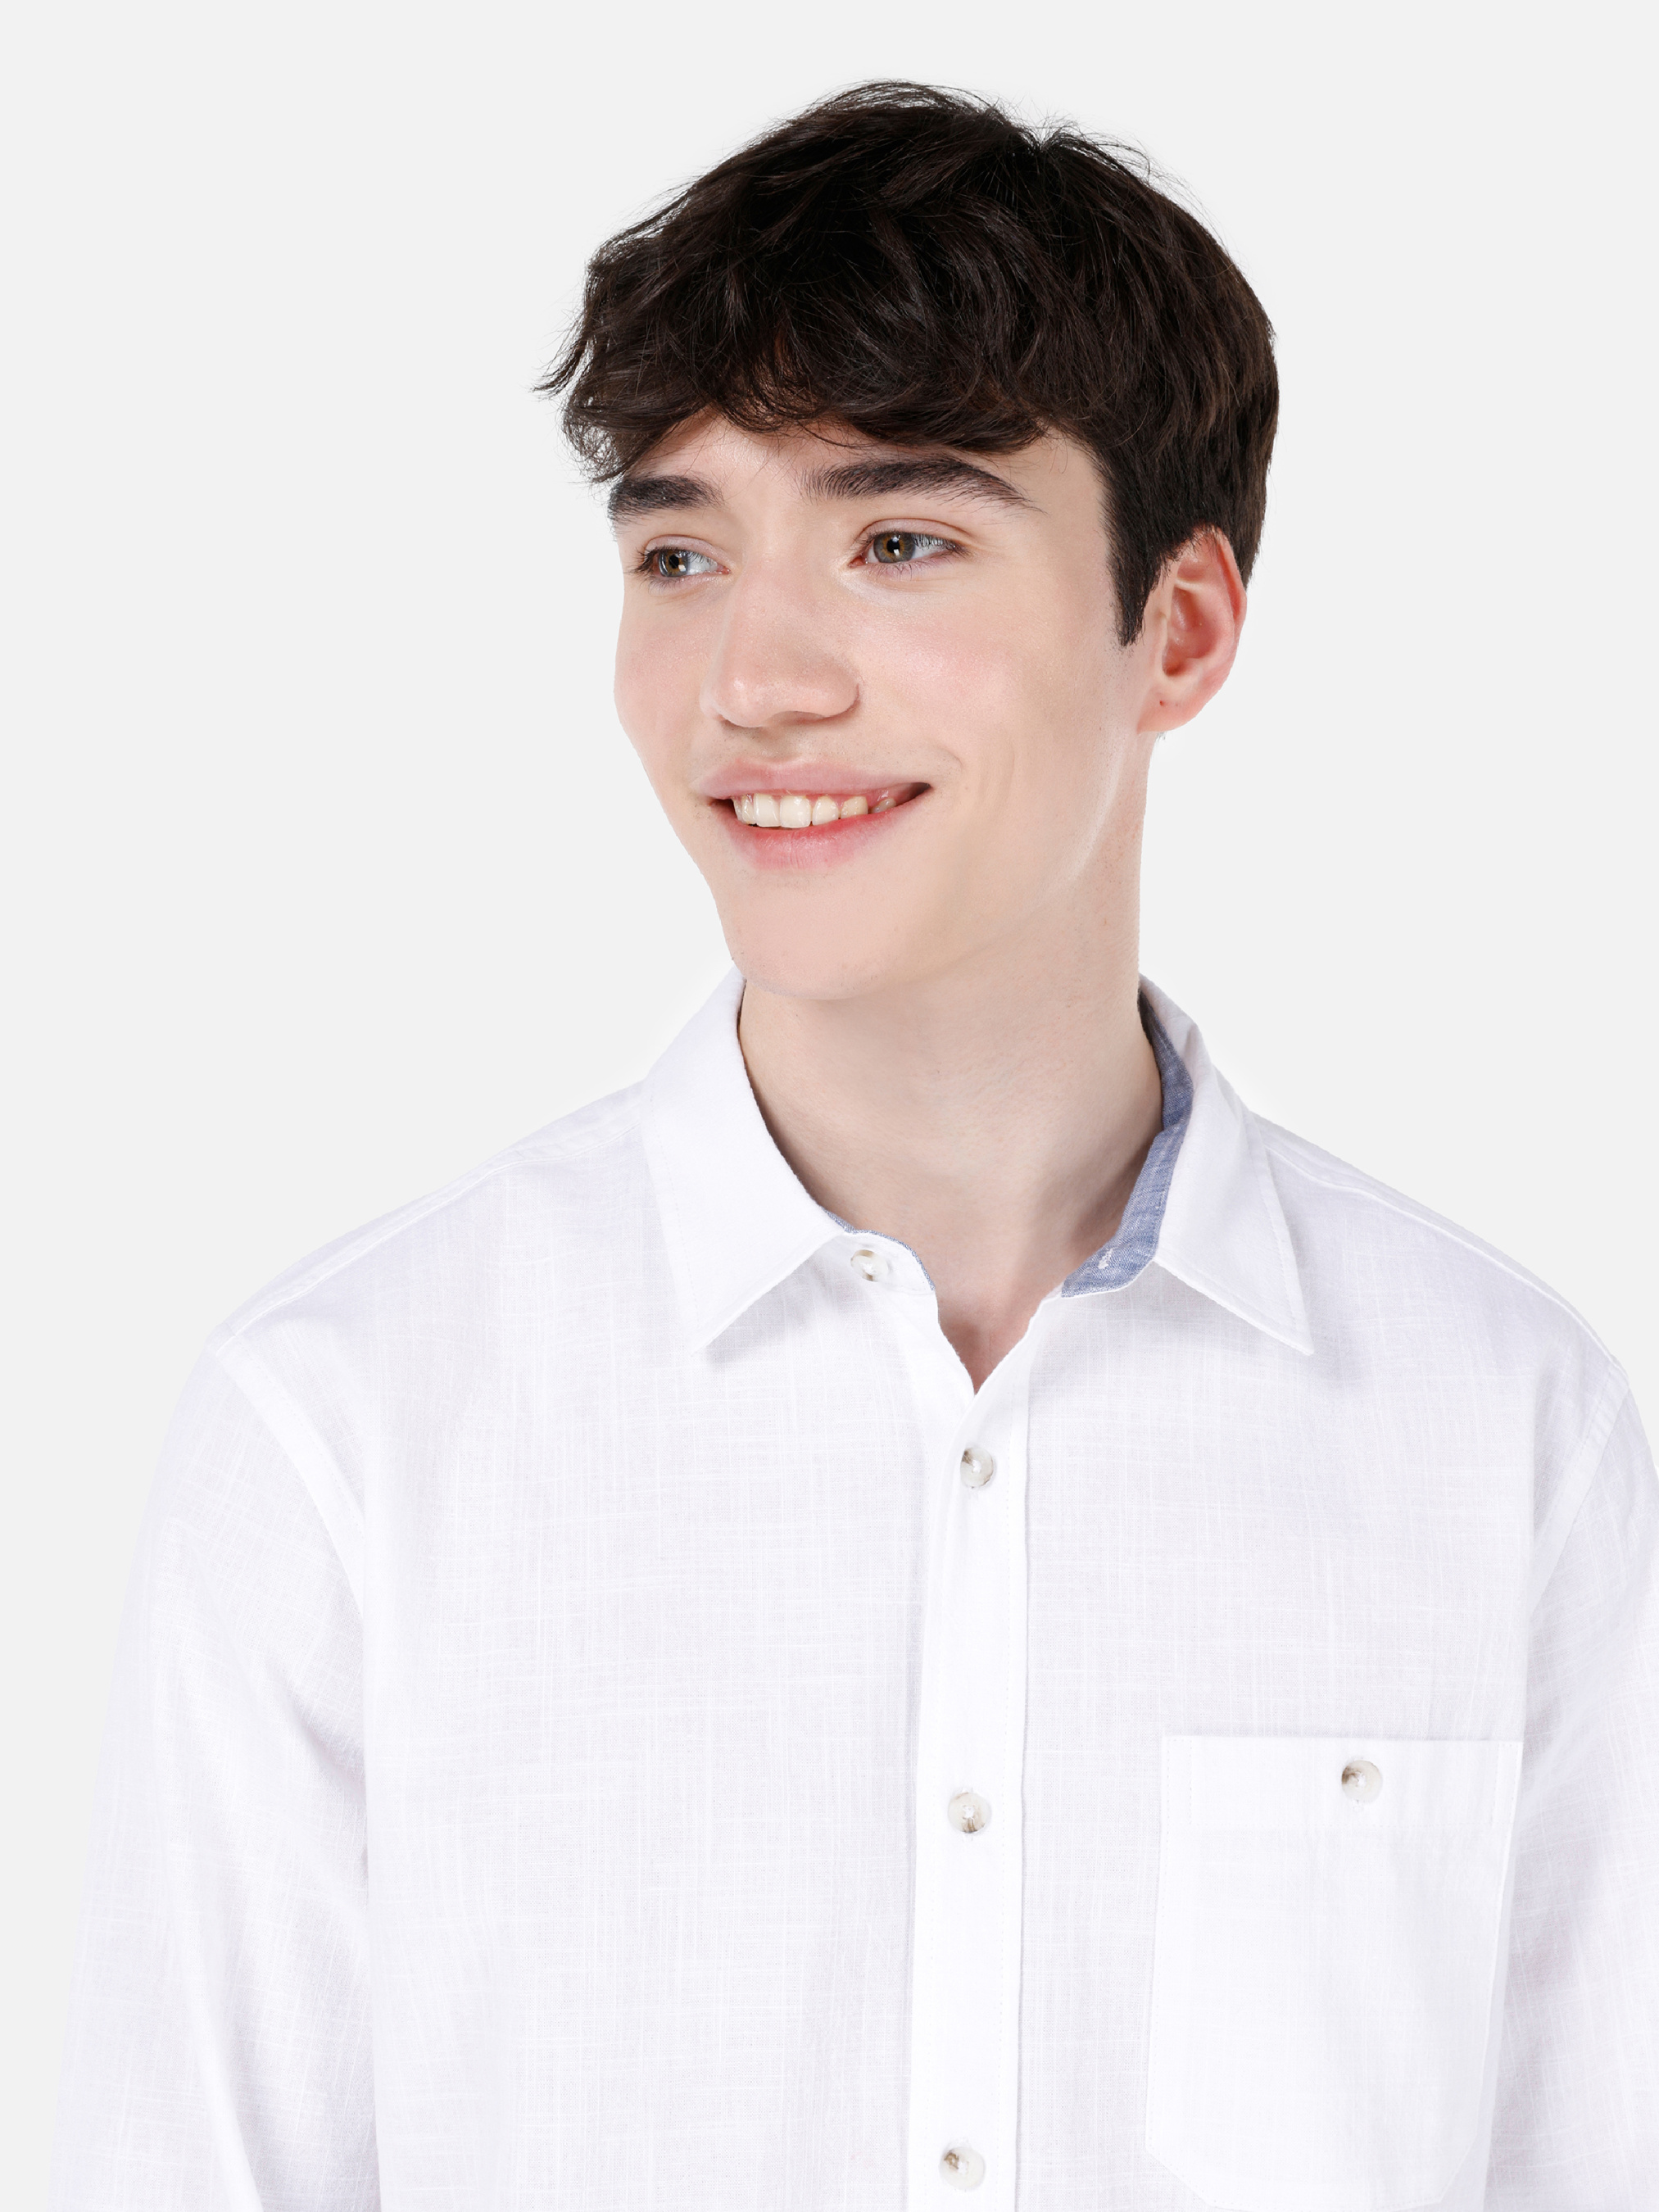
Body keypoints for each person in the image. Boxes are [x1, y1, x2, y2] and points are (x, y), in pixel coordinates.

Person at [50, 79, 1657, 2212]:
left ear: (1177, 628)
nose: (753, 679)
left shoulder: (1504, 1427)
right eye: (679, 553)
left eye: (899, 541)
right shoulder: (347, 1429)